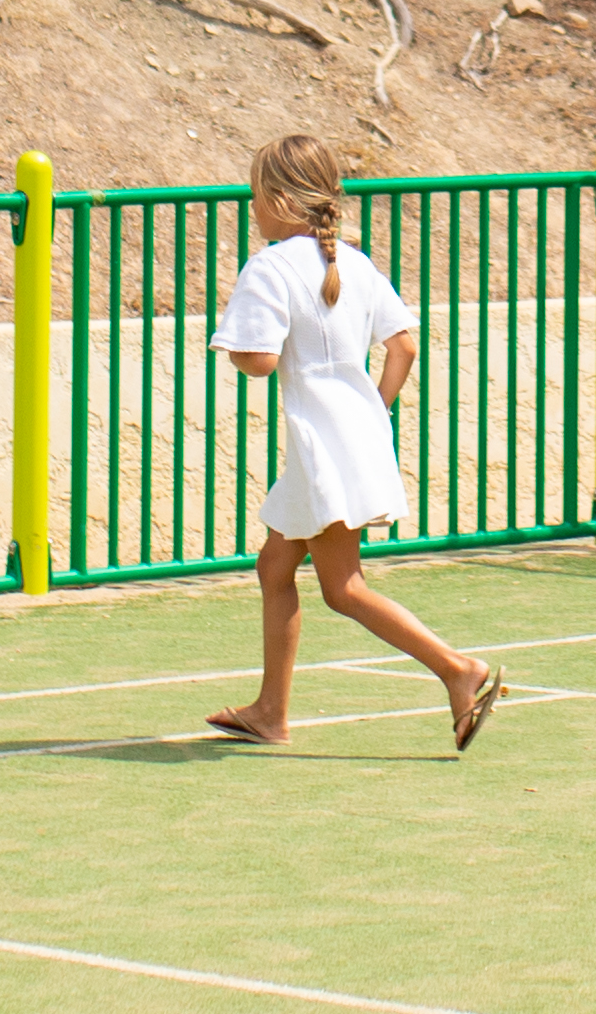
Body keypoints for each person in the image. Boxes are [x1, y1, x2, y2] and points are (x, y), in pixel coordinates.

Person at [204, 136, 500, 751]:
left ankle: (457, 670)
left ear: (280, 198)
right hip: (351, 439)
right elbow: (404, 347)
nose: (252, 206)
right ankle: (269, 712)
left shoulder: (271, 265)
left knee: (344, 588)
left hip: (319, 447)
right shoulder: (358, 264)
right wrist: (374, 414)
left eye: (256, 194)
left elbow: (258, 362)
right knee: (275, 566)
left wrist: (231, 344)